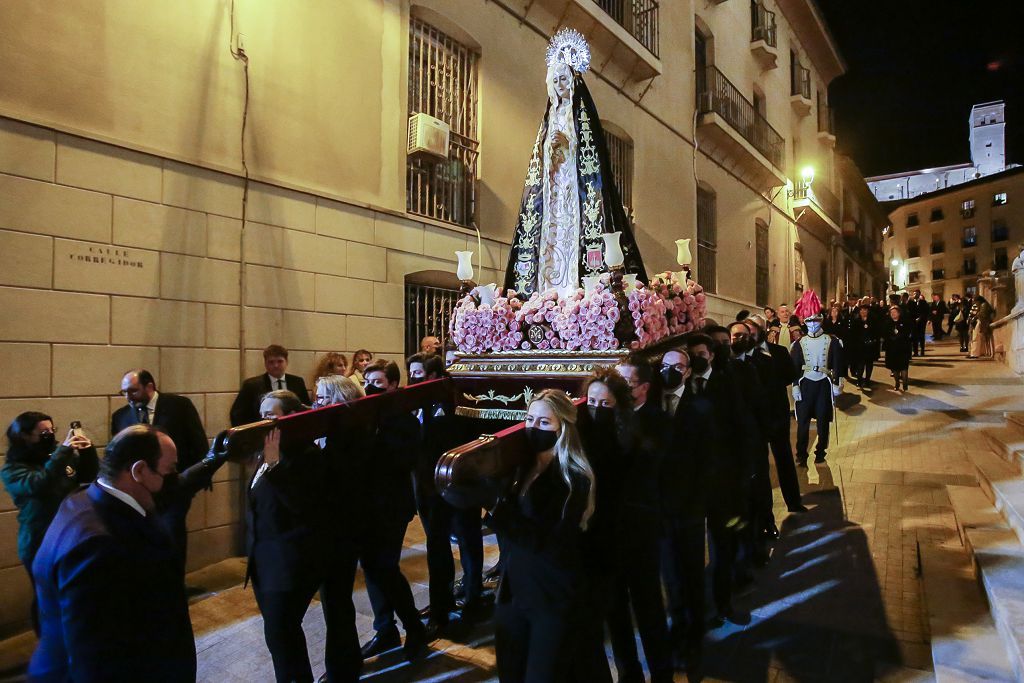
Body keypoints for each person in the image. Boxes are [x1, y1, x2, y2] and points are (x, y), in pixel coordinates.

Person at [29, 425, 195, 682]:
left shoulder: (83, 499)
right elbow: (95, 658)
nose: (173, 478)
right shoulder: (99, 548)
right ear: (139, 471)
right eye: (169, 470)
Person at [503, 28, 646, 297]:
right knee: (552, 240)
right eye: (555, 80)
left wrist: (569, 146)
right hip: (555, 194)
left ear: (573, 78)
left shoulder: (581, 114)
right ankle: (548, 293)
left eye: (564, 78)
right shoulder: (550, 116)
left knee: (576, 241)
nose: (560, 84)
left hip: (577, 193)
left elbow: (592, 158)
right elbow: (539, 162)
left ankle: (580, 292)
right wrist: (550, 151)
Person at [489, 389, 595, 682]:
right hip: (514, 591)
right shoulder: (519, 466)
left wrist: (498, 512)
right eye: (530, 419)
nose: (534, 428)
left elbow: (550, 544)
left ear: (563, 428)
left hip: (551, 594)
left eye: (545, 423)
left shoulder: (574, 478)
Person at [246, 390, 327, 683]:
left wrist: (275, 467)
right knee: (280, 633)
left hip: (290, 561)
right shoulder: (268, 449)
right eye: (261, 416)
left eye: (270, 417)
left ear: (291, 418)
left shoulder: (307, 454)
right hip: (264, 559)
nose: (263, 423)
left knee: (281, 630)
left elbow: (303, 506)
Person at [355, 360, 429, 660]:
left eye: (379, 383)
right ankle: (385, 628)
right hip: (367, 504)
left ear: (394, 385)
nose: (371, 388)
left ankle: (413, 627)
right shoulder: (364, 416)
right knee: (372, 568)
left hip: (391, 505)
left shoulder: (404, 421)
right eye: (368, 382)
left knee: (384, 567)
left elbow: (401, 461)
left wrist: (375, 429)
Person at [407, 353, 484, 635]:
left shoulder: (459, 401)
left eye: (420, 374)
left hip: (458, 484)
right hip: (427, 487)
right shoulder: (412, 405)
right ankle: (441, 606)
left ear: (435, 376)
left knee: (468, 542)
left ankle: (472, 601)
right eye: (411, 374)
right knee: (436, 547)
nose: (415, 379)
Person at [2, 413, 98, 634]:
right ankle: (47, 645)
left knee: (75, 593)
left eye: (52, 431)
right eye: (43, 433)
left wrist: (87, 452)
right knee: (46, 597)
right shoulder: (13, 469)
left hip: (71, 534)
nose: (50, 436)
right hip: (39, 540)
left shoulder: (59, 456)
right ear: (24, 436)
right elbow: (39, 485)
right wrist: (63, 453)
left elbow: (89, 478)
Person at [613, 358, 673, 681]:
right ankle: (629, 672)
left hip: (643, 529)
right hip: (612, 531)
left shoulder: (659, 422)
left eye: (626, 383)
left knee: (648, 606)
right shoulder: (609, 417)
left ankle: (662, 672)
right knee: (616, 608)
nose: (620, 388)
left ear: (644, 388)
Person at [111, 369, 209, 563]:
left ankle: (175, 585)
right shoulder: (120, 416)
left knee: (172, 533)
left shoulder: (179, 406)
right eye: (124, 392)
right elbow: (117, 453)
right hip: (139, 489)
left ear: (149, 387)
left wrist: (197, 479)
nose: (128, 397)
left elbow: (197, 442)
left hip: (174, 485)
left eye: (133, 391)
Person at [314, 374, 368, 683]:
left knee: (336, 599)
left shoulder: (347, 434)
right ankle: (347, 661)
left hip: (341, 527)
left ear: (339, 399)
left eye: (322, 397)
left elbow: (338, 481)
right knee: (336, 600)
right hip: (338, 525)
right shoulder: (338, 429)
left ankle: (341, 670)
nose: (317, 402)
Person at [790, 313, 844, 465]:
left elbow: (838, 364)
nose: (813, 323)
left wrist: (837, 383)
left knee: (823, 420)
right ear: (805, 322)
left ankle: (820, 452)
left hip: (823, 383)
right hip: (805, 383)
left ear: (821, 321)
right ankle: (801, 454)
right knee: (802, 422)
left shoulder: (832, 341)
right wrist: (795, 386)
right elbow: (794, 368)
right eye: (809, 320)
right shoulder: (799, 343)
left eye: (816, 320)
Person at [231, 345, 312, 426]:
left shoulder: (297, 382)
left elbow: (306, 409)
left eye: (280, 361)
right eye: (271, 362)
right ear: (265, 363)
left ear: (286, 362)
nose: (276, 365)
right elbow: (237, 414)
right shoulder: (251, 385)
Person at [848, 305, 881, 389]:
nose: (863, 312)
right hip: (860, 347)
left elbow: (876, 332)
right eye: (861, 310)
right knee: (860, 365)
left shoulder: (872, 320)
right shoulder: (856, 321)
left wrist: (873, 340)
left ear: (867, 311)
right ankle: (859, 381)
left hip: (870, 346)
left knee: (869, 365)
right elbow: (852, 334)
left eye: (865, 310)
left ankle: (867, 380)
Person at [883, 306, 913, 391]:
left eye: (895, 312)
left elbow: (908, 333)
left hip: (903, 348)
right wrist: (891, 338)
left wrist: (899, 337)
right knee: (895, 368)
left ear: (899, 313)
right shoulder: (888, 323)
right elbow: (885, 334)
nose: (893, 314)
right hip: (892, 349)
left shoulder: (905, 322)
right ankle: (897, 383)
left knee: (904, 367)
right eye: (891, 313)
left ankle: (905, 384)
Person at [908, 289, 929, 356]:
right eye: (914, 294)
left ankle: (922, 351)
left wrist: (920, 318)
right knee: (914, 337)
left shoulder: (923, 302)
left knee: (921, 336)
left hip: (921, 322)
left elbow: (926, 311)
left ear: (919, 294)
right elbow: (909, 311)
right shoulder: (911, 302)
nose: (915, 295)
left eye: (916, 293)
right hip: (914, 322)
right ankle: (915, 352)